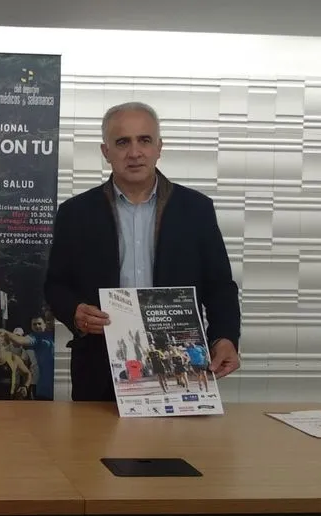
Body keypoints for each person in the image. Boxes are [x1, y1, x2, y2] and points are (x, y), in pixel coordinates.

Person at [43, 101, 241, 402]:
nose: (134, 152)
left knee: (178, 435)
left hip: (180, 364)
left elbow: (220, 286)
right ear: (105, 151)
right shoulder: (75, 213)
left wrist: (225, 337)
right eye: (122, 142)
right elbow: (55, 285)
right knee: (95, 436)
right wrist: (74, 312)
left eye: (144, 140)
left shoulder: (196, 209)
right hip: (98, 369)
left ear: (159, 147)